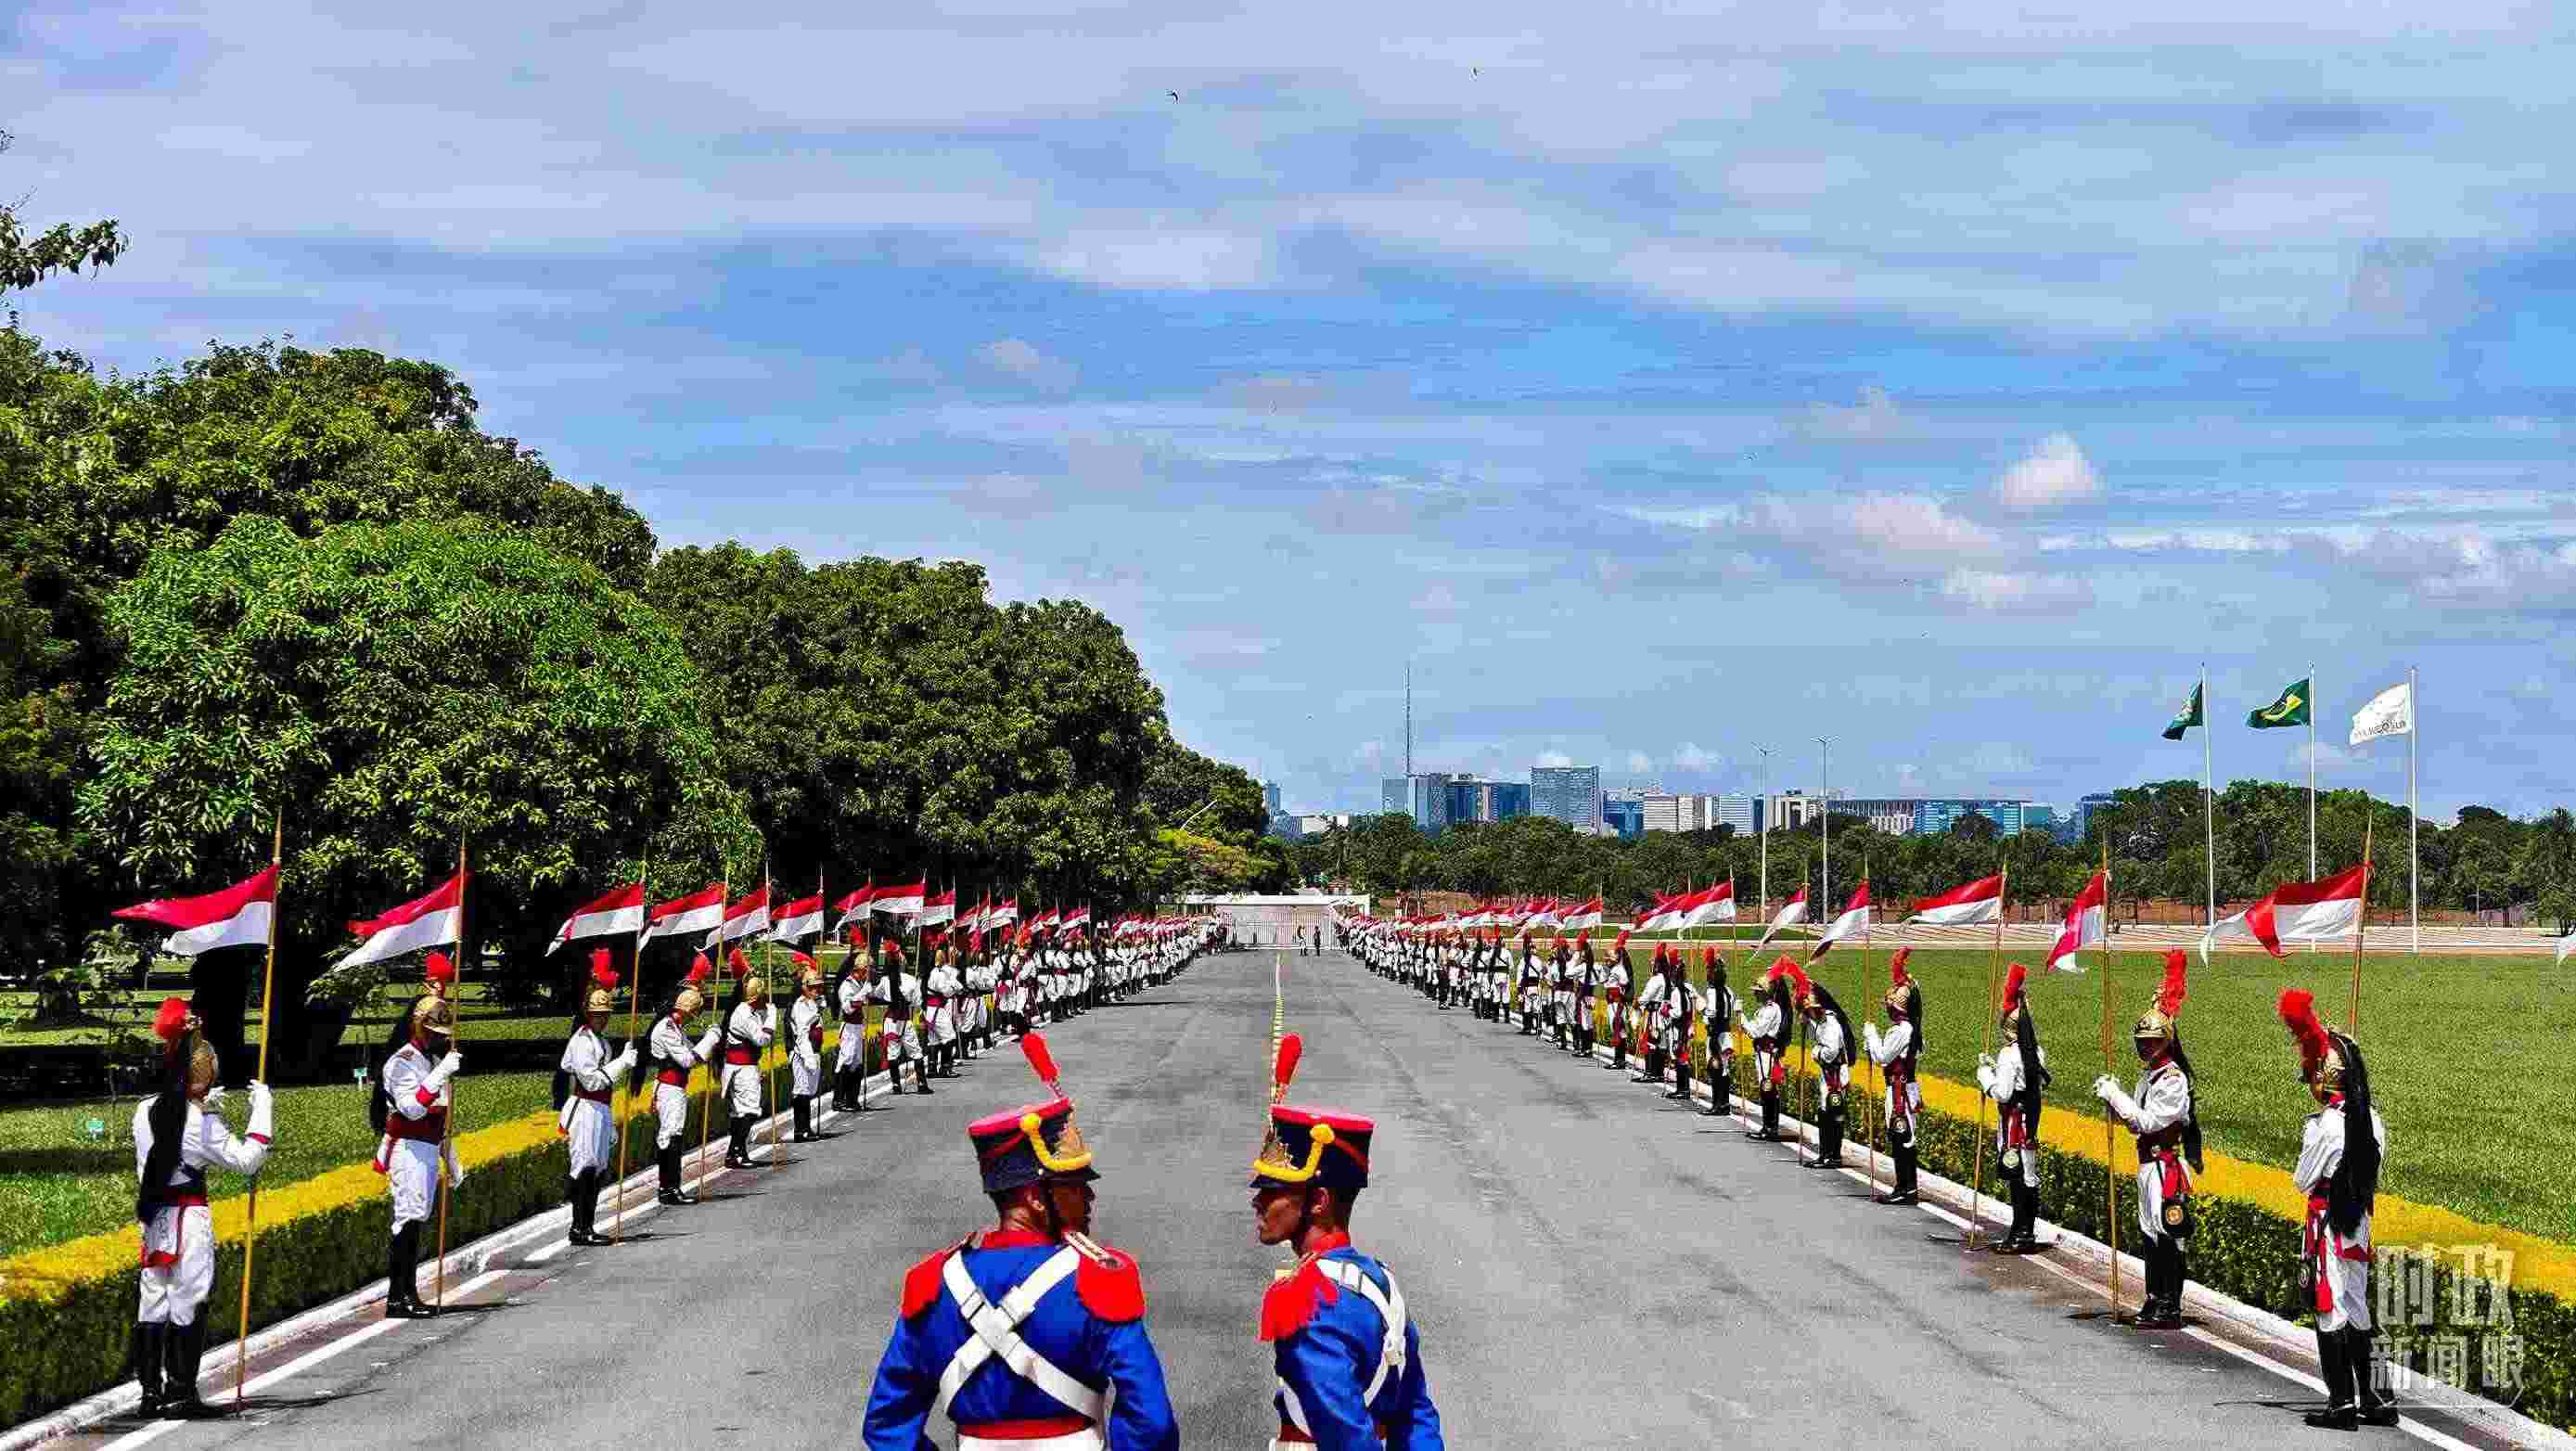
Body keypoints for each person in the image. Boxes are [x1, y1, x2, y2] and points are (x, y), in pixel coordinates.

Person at [863, 1034, 1179, 1450]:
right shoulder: (1098, 1279)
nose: (1088, 1197)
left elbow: (886, 1423)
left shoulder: (933, 1284)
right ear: (1035, 1198)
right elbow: (1151, 1423)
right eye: (1073, 1186)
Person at [1251, 1035, 1445, 1449]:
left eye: (1273, 1191)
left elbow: (1345, 1436)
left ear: (1318, 1202)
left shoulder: (1310, 1301)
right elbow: (1415, 1414)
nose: (1258, 1201)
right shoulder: (1378, 1280)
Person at [132, 999, 273, 1419]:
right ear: (206, 1073)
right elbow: (248, 1160)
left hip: (154, 1217)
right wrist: (262, 1110)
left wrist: (205, 1106)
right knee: (189, 1301)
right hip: (188, 1218)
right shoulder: (201, 1122)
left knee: (153, 1302)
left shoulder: (144, 1110)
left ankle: (151, 1394)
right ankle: (181, 1393)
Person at [2277, 989, 2395, 1430]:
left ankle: (2341, 1403)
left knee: (2329, 1307)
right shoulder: (2372, 1119)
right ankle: (2377, 1397)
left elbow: (2302, 1179)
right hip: (2358, 1221)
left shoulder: (2325, 1125)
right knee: (2358, 1306)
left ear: (2326, 1079)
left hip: (2327, 1222)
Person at [2095, 950, 2202, 1330]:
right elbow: (2133, 1122)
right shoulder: (2150, 1076)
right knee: (2149, 1234)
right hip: (2147, 1164)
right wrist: (2113, 1104)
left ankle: (2169, 1304)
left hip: (2164, 1164)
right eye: (2141, 1041)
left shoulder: (2172, 1079)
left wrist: (2117, 1097)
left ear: (2165, 1042)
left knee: (2166, 1232)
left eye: (2150, 1041)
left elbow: (2148, 1121)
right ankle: (2154, 1297)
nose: (2143, 1047)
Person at [377, 989, 465, 1317]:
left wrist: (451, 1159)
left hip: (427, 1149)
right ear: (417, 1026)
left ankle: (408, 1293)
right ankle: (398, 1298)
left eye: (440, 1033)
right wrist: (441, 1074)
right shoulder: (401, 1062)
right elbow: (412, 1109)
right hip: (408, 1150)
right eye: (431, 1031)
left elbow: (440, 1119)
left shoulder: (433, 1061)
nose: (436, 1038)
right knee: (408, 1221)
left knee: (418, 1221)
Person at [557, 951, 636, 1245]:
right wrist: (622, 1064)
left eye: (605, 1014)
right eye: (597, 1014)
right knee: (586, 1167)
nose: (602, 1019)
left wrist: (610, 1119)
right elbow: (591, 1080)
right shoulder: (581, 1041)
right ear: (587, 1013)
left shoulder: (601, 1041)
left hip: (600, 1107)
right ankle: (579, 1228)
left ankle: (588, 1225)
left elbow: (605, 1084)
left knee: (599, 1169)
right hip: (585, 1107)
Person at [1974, 963, 2048, 1251]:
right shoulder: (2035, 1051)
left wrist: (1986, 1077)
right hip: (2029, 1120)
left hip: (2014, 1122)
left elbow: (2003, 1093)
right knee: (2027, 1175)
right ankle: (2023, 1231)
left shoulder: (2008, 1053)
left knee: (2017, 1177)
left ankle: (2021, 1234)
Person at [644, 957, 722, 1206]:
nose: (692, 1019)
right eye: (692, 1015)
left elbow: (692, 1053)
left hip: (675, 1087)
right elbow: (688, 1059)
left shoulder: (675, 1028)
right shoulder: (667, 1028)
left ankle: (671, 1186)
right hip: (669, 1088)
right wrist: (710, 1039)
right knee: (671, 1135)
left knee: (674, 1134)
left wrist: (708, 1041)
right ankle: (668, 1188)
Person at [1862, 949, 1923, 1207]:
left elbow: (1883, 1057)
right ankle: (1905, 1187)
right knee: (1902, 1136)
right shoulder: (1909, 1028)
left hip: (1898, 1090)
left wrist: (1871, 1035)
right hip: (1902, 1087)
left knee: (1901, 1137)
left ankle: (1905, 1188)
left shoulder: (1901, 1031)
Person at [719, 951, 775, 1170]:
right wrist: (772, 1018)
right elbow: (762, 1039)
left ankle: (738, 1152)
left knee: (743, 1111)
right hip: (741, 1068)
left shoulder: (750, 1012)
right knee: (749, 1110)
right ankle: (735, 1152)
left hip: (746, 1066)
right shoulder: (743, 1015)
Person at [1739, 959, 1799, 1141]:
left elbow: (1756, 1031)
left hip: (1767, 1054)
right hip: (1763, 1052)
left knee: (1768, 1089)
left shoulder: (1771, 1010)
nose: (1755, 995)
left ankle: (1770, 1128)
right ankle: (1768, 1126)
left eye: (1758, 992)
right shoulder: (1766, 1009)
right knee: (1766, 1089)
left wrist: (1741, 1017)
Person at [1801, 981, 1855, 1170]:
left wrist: (1815, 1052)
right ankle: (1826, 1153)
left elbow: (1830, 1052)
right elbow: (1815, 1036)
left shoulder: (1831, 1023)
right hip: (1828, 1073)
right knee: (1826, 1111)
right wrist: (1807, 1023)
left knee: (1831, 1111)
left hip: (1835, 1075)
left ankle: (1832, 1155)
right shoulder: (1822, 1022)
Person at [875, 940, 930, 1095]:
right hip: (905, 1020)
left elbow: (877, 994)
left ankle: (896, 1086)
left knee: (893, 1052)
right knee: (915, 1051)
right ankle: (921, 1084)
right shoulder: (911, 980)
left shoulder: (885, 980)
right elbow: (917, 1002)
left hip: (891, 1021)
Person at [788, 956, 827, 1142]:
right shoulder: (801, 1006)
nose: (817, 991)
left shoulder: (813, 1003)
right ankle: (800, 1130)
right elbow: (802, 1035)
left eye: (819, 987)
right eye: (813, 988)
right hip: (804, 1054)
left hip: (813, 1051)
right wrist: (808, 1057)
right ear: (804, 988)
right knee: (802, 1091)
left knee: (809, 1091)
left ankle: (806, 1127)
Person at [1697, 951, 1737, 1119]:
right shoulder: (1728, 991)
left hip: (1716, 1034)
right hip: (1725, 1034)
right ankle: (1724, 1103)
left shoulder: (1712, 992)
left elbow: (1712, 1012)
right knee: (1723, 1069)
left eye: (1709, 970)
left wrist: (1702, 1007)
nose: (1707, 973)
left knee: (1714, 1068)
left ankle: (1717, 1104)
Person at [834, 944, 872, 1112]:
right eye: (867, 970)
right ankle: (839, 1099)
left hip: (857, 1027)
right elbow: (848, 1007)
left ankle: (852, 1099)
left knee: (857, 1063)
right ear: (861, 970)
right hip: (849, 1027)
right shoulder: (847, 985)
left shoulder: (859, 984)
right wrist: (863, 994)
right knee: (846, 1061)